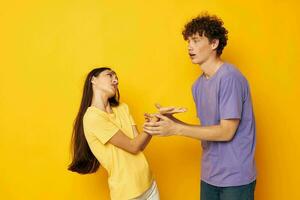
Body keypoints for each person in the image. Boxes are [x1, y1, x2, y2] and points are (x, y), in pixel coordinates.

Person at [144, 13, 257, 200]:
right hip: (209, 175)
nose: (190, 46)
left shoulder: (230, 78)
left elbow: (226, 132)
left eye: (196, 40)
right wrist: (169, 122)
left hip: (236, 178)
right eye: (188, 41)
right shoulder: (197, 85)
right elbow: (208, 130)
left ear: (214, 44)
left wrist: (176, 129)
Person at [68, 67, 160, 200]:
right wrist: (156, 120)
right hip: (127, 193)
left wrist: (152, 125)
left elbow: (139, 145)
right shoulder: (92, 117)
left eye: (116, 78)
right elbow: (132, 146)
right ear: (93, 79)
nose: (115, 80)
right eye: (110, 75)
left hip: (149, 184)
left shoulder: (123, 108)